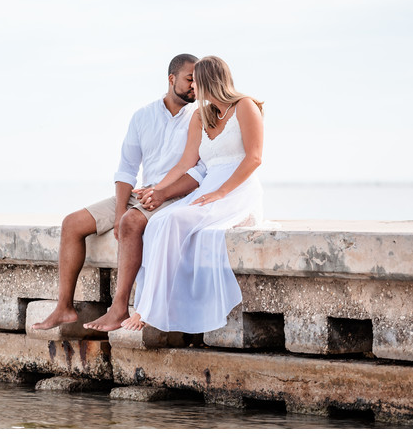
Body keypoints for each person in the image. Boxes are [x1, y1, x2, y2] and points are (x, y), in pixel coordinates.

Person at [31, 54, 206, 331]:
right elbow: (126, 168)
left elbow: (198, 171)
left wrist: (152, 198)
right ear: (171, 79)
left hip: (174, 195)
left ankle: (118, 308)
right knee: (72, 223)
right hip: (141, 193)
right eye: (189, 80)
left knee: (131, 222)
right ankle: (64, 307)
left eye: (198, 81)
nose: (194, 87)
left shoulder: (199, 118)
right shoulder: (143, 116)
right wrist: (121, 208)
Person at [123, 55, 264, 334]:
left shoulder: (245, 106)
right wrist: (158, 189)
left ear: (209, 81)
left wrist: (221, 193)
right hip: (210, 187)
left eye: (195, 81)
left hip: (236, 188)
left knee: (176, 221)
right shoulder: (202, 115)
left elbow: (254, 158)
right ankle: (150, 304)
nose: (192, 88)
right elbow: (185, 163)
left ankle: (147, 309)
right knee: (160, 222)